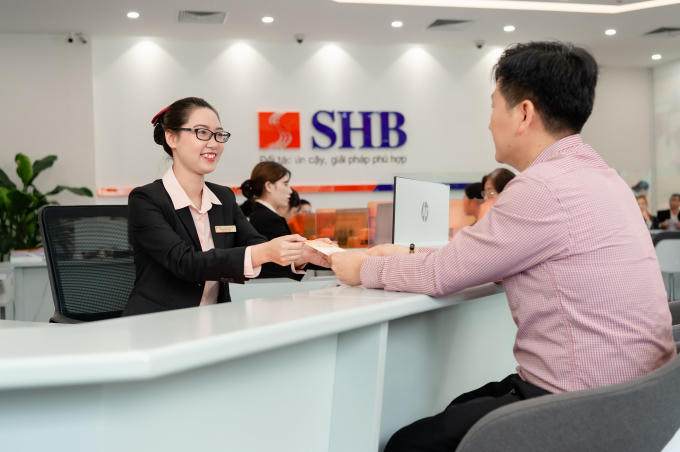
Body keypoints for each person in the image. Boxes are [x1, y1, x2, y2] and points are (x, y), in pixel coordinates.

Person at [330, 42, 675, 451]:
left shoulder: (541, 188)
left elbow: (442, 274)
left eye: (494, 106)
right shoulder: (604, 177)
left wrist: (357, 268)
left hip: (583, 406)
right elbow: (482, 256)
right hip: (641, 401)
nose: (489, 122)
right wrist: (406, 255)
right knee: (460, 408)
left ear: (524, 113)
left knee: (410, 444)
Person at [124, 97, 328, 316]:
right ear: (172, 137)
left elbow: (256, 248)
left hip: (215, 321)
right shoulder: (146, 199)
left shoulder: (223, 197)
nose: (214, 143)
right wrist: (264, 251)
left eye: (219, 134)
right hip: (159, 323)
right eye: (202, 132)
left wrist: (299, 256)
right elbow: (185, 263)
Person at [240, 162, 319, 278]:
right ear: (269, 186)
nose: (290, 191)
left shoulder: (260, 214)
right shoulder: (268, 219)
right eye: (285, 184)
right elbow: (284, 261)